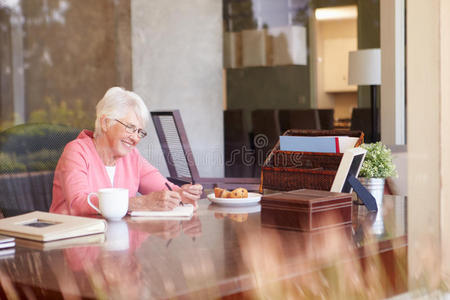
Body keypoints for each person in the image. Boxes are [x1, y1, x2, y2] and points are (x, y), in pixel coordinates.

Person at [50, 87, 203, 216]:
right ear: (106, 122)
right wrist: (140, 202)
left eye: (140, 132)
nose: (136, 138)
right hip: (73, 243)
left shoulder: (132, 156)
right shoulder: (77, 151)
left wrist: (182, 194)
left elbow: (164, 189)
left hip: (115, 243)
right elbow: (78, 204)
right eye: (130, 128)